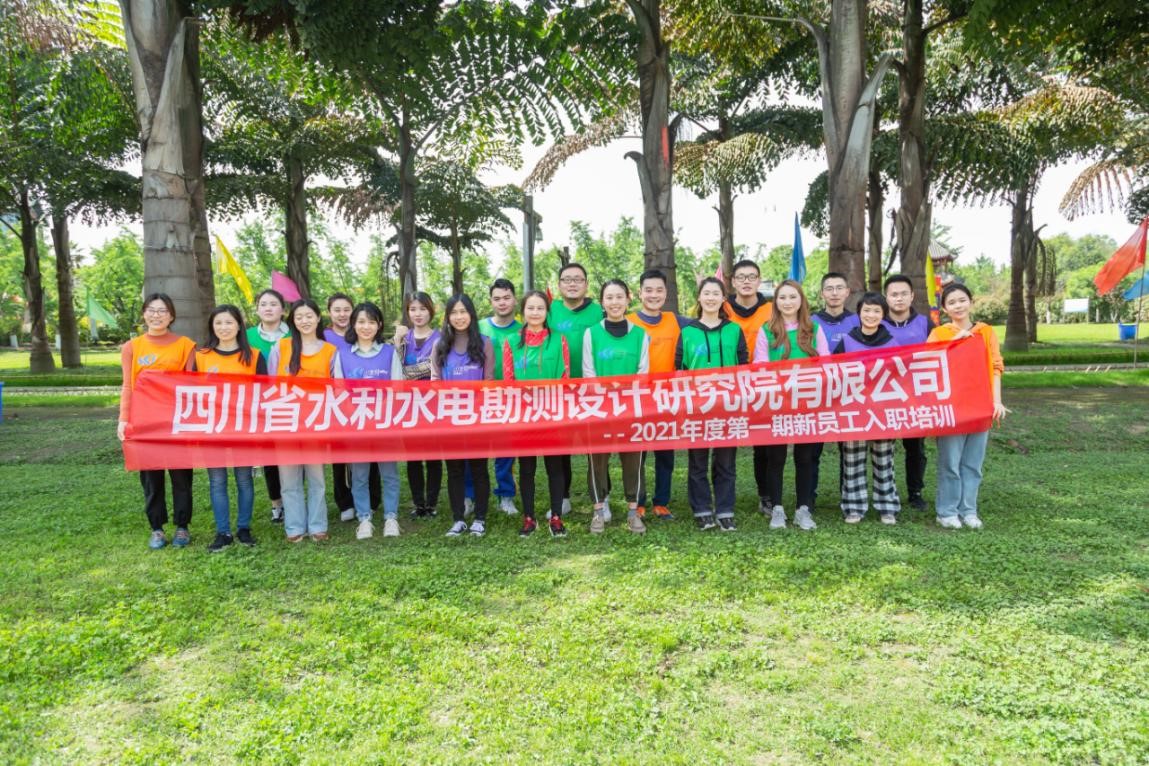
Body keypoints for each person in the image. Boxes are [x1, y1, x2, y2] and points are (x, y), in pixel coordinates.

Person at [118, 293, 196, 549]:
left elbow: (191, 385)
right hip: (145, 423)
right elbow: (128, 386)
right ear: (144, 314)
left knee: (181, 476)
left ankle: (182, 526)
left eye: (162, 311)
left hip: (177, 422)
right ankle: (157, 528)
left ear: (171, 316)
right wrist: (123, 419)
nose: (156, 315)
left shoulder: (185, 345)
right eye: (152, 310)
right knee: (151, 478)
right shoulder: (132, 347)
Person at [927, 283, 1007, 529]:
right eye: (951, 302)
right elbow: (928, 363)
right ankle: (947, 511)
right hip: (952, 408)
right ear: (944, 309)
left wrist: (996, 401)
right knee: (950, 462)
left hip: (980, 406)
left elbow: (996, 366)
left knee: (973, 463)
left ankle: (969, 510)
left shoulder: (986, 332)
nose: (958, 306)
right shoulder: (939, 333)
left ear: (971, 302)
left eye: (962, 300)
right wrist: (955, 342)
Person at [754, 279, 830, 532]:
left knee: (805, 457)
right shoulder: (767, 330)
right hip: (777, 403)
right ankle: (777, 508)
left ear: (801, 300)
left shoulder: (814, 329)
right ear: (776, 302)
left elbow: (826, 364)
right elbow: (760, 366)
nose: (788, 302)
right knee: (775, 457)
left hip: (808, 404)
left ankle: (803, 509)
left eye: (792, 297)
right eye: (782, 297)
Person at [676, 277, 748, 531]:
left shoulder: (734, 330)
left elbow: (743, 366)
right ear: (699, 297)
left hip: (728, 405)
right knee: (697, 461)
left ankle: (725, 511)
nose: (710, 298)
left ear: (723, 298)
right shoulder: (687, 332)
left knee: (725, 461)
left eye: (715, 293)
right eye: (706, 293)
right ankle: (702, 510)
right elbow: (680, 370)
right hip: (697, 406)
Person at [194, 305, 267, 551]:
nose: (223, 327)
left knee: (244, 480)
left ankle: (244, 528)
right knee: (217, 481)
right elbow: (190, 393)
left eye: (229, 322)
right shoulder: (201, 357)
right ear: (212, 327)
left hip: (243, 430)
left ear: (238, 325)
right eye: (218, 323)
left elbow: (264, 394)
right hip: (212, 430)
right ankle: (223, 532)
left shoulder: (254, 356)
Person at [268, 299, 342, 542]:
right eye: (299, 317)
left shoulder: (330, 350)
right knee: (289, 478)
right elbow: (270, 384)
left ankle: (318, 525)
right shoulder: (282, 347)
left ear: (318, 318)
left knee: (316, 477)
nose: (304, 321)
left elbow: (337, 387)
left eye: (309, 316)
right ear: (293, 320)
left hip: (316, 422)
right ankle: (294, 527)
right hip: (286, 421)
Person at [583, 279, 650, 535]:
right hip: (599, 409)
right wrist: (606, 398)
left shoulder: (640, 334)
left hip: (631, 408)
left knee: (633, 460)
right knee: (597, 460)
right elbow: (589, 373)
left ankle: (633, 512)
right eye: (609, 297)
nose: (614, 302)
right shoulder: (591, 333)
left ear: (628, 299)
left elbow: (643, 373)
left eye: (619, 297)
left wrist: (625, 398)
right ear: (602, 302)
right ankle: (598, 510)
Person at [503, 290, 570, 537]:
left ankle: (556, 516)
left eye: (540, 308)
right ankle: (529, 517)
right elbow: (508, 379)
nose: (535, 312)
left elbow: (564, 377)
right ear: (523, 311)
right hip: (524, 415)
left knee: (555, 466)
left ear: (547, 311)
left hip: (552, 412)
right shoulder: (511, 341)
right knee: (527, 467)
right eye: (530, 308)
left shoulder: (559, 340)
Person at [832, 293, 900, 526]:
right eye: (866, 310)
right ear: (859, 313)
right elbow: (833, 373)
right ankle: (854, 507)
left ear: (884, 315)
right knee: (852, 461)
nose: (871, 315)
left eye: (876, 311)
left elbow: (901, 376)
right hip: (854, 411)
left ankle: (887, 507)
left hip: (882, 411)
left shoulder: (892, 343)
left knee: (884, 460)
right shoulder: (847, 341)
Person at [337, 301, 403, 540]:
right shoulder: (343, 354)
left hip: (385, 425)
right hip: (356, 426)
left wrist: (385, 418)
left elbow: (397, 389)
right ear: (354, 324)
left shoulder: (389, 353)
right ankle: (364, 518)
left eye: (371, 322)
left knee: (389, 474)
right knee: (359, 475)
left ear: (379, 325)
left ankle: (391, 518)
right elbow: (339, 392)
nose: (366, 327)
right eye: (361, 322)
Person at [627, 268, 688, 521]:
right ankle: (638, 502)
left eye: (659, 290)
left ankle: (661, 502)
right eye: (648, 290)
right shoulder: (628, 322)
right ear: (639, 293)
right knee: (637, 455)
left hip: (667, 399)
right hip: (637, 399)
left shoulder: (678, 322)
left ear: (666, 293)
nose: (654, 295)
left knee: (665, 454)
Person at [433, 295, 495, 538]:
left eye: (463, 312)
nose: (459, 317)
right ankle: (458, 518)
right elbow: (435, 382)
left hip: (477, 419)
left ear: (471, 314)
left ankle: (480, 518)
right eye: (454, 313)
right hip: (450, 419)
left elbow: (488, 381)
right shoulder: (440, 345)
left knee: (479, 469)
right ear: (448, 317)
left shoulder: (485, 343)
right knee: (455, 470)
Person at [548, 262, 604, 517]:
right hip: (559, 391)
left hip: (592, 390)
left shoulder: (598, 311)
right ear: (559, 284)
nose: (572, 284)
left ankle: (601, 498)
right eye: (567, 279)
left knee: (597, 448)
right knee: (560, 449)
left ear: (586, 284)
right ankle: (562, 497)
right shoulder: (550, 310)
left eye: (578, 279)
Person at [722, 259, 776, 518]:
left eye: (751, 276)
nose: (746, 281)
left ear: (759, 280)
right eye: (741, 277)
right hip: (727, 386)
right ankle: (723, 500)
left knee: (763, 443)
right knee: (725, 442)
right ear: (733, 281)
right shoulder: (721, 307)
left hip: (764, 386)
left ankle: (766, 495)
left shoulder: (772, 309)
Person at [325, 293, 379, 523]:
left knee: (369, 454)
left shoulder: (361, 332)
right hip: (336, 404)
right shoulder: (324, 336)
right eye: (337, 310)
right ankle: (345, 502)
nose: (342, 314)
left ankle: (372, 500)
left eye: (346, 309)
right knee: (340, 456)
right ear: (329, 312)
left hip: (366, 405)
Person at [883, 274, 936, 511]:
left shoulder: (925, 324)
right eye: (894, 294)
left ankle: (915, 492)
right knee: (883, 448)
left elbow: (941, 353)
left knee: (915, 448)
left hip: (916, 396)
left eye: (904, 293)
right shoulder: (876, 322)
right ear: (886, 297)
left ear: (912, 296)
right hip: (884, 396)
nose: (899, 298)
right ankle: (886, 493)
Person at [810, 272, 861, 507]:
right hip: (817, 393)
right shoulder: (810, 322)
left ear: (847, 292)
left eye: (839, 288)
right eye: (829, 288)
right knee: (812, 449)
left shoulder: (858, 321)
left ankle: (848, 495)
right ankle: (809, 496)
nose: (834, 293)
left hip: (849, 393)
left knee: (849, 448)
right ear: (822, 293)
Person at [474, 278, 521, 516]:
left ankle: (506, 495)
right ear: (491, 301)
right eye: (497, 298)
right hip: (480, 397)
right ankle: (471, 496)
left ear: (514, 299)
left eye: (506, 298)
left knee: (506, 450)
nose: (502, 303)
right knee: (475, 449)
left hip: (511, 397)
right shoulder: (478, 327)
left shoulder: (523, 329)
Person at [394, 292, 444, 518]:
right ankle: (418, 503)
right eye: (413, 309)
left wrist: (408, 372)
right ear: (407, 312)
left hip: (433, 405)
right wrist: (397, 342)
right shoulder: (403, 339)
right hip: (408, 406)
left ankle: (431, 503)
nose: (418, 314)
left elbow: (435, 368)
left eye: (422, 309)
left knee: (433, 457)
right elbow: (396, 372)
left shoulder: (441, 338)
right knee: (413, 458)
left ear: (431, 311)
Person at [245, 288, 288, 523]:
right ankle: (277, 503)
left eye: (273, 304)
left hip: (290, 402)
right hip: (259, 404)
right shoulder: (247, 336)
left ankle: (292, 499)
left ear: (283, 309)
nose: (268, 308)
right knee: (270, 455)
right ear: (257, 309)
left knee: (292, 454)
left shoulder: (293, 333)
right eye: (263, 304)